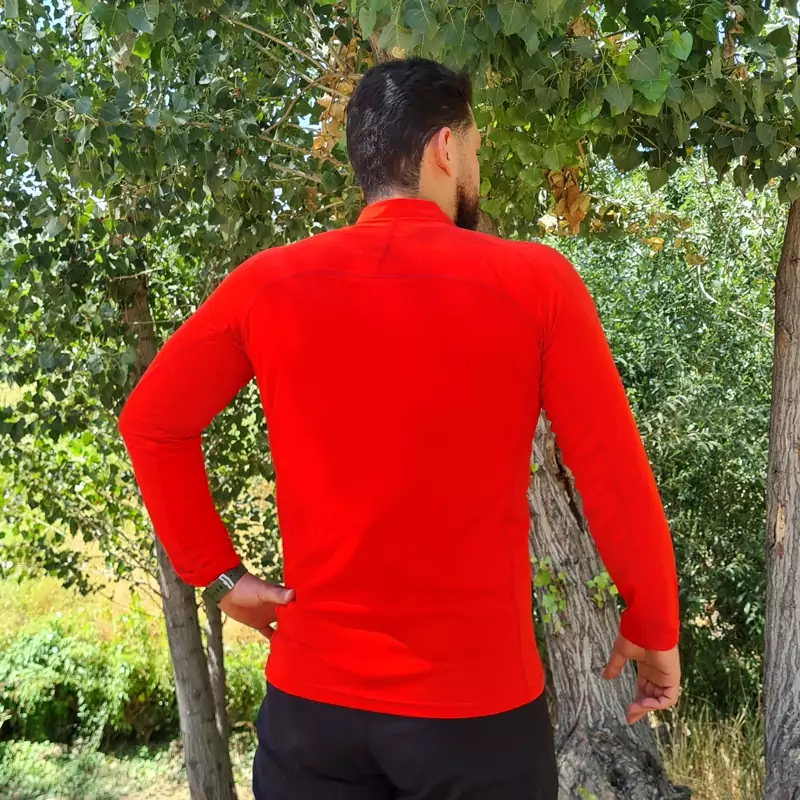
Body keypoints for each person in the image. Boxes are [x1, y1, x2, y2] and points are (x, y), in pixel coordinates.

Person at [119, 57, 680, 800]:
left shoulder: (268, 283)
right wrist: (653, 623)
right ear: (445, 148)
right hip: (476, 718)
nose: (475, 168)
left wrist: (219, 576)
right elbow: (609, 472)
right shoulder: (537, 284)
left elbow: (152, 424)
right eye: (474, 149)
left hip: (312, 715)